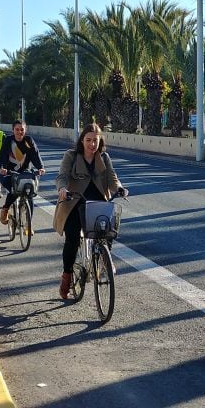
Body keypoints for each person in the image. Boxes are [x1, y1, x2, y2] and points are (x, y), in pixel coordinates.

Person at [53, 123, 128, 299]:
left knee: (108, 232)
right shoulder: (71, 156)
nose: (92, 144)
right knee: (72, 238)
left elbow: (112, 178)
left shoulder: (104, 157)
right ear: (82, 140)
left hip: (98, 203)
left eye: (95, 140)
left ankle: (103, 263)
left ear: (100, 140)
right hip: (74, 202)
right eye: (88, 140)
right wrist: (62, 189)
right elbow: (62, 176)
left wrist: (120, 188)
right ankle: (67, 275)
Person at [0, 120, 45, 224]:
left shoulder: (28, 141)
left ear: (25, 130)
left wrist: (40, 167)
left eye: (22, 129)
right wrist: (2, 168)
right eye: (17, 129)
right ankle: (5, 209)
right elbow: (2, 156)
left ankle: (28, 225)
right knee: (14, 190)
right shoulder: (9, 140)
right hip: (8, 172)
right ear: (13, 130)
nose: (19, 132)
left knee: (30, 195)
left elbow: (35, 155)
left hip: (25, 173)